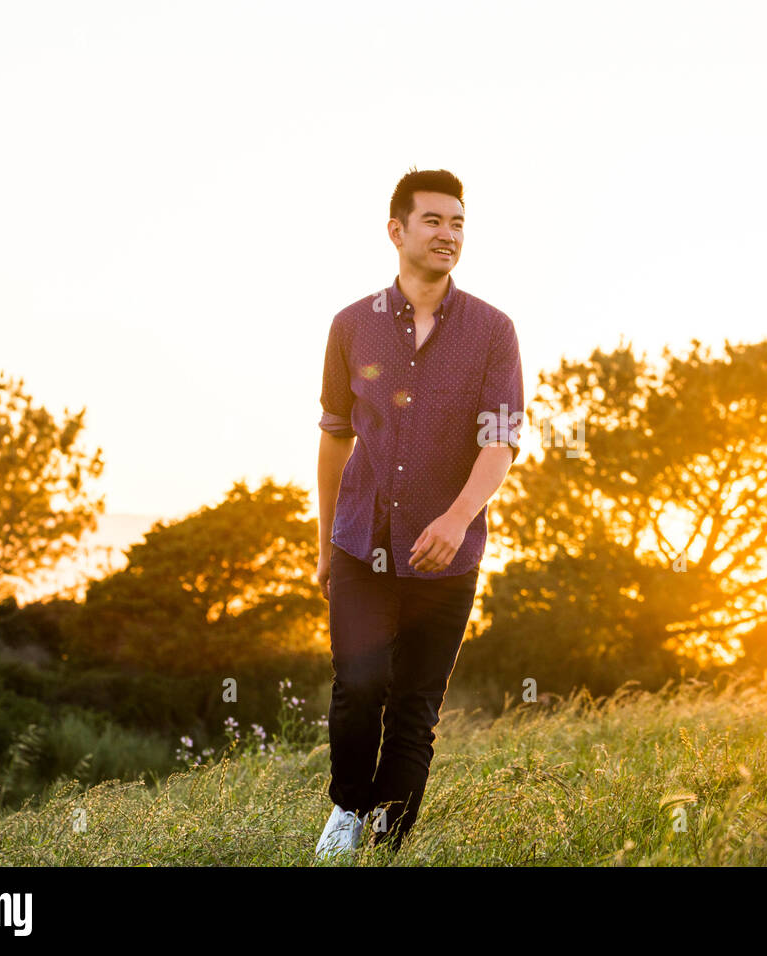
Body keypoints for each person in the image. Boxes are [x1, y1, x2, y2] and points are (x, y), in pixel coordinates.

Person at [313, 167, 524, 857]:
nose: (449, 234)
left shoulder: (493, 330)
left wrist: (459, 516)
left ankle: (389, 837)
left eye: (458, 222)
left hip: (449, 553)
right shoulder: (350, 327)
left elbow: (500, 442)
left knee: (415, 707)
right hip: (360, 542)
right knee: (360, 682)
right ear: (396, 231)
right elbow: (334, 437)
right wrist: (325, 545)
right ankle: (347, 809)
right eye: (434, 220)